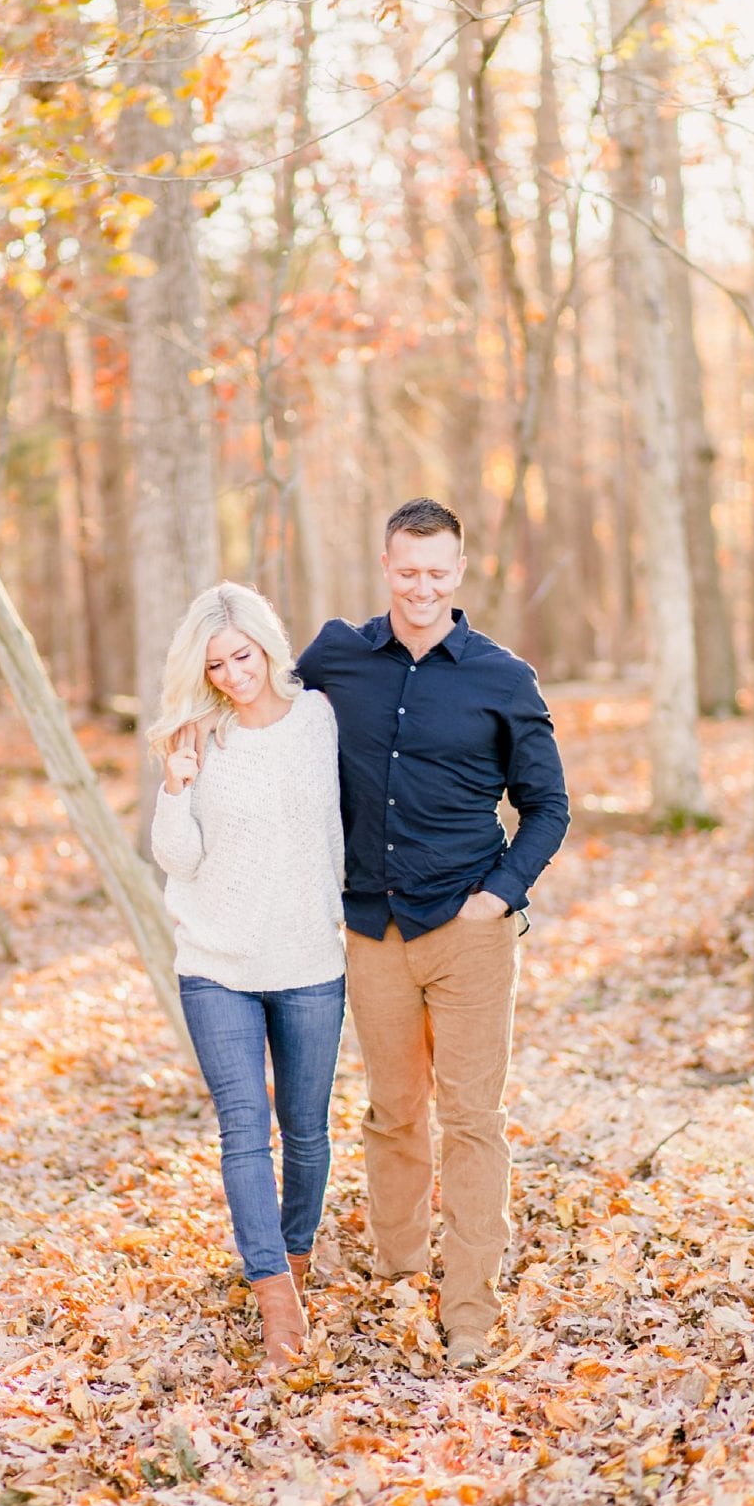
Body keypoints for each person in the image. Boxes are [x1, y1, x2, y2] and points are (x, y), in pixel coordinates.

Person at [295, 497, 569, 1371]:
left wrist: (499, 894)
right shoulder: (336, 657)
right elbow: (267, 726)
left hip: (468, 928)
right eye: (406, 571)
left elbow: (547, 805)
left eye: (436, 572)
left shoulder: (501, 676)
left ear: (459, 572)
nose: (421, 587)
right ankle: (400, 1268)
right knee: (391, 1112)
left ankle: (469, 1313)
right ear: (386, 568)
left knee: (471, 1118)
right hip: (370, 927)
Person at [148, 582, 346, 1371]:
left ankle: (292, 1257)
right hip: (215, 962)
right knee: (244, 1130)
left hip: (306, 958)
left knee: (305, 1131)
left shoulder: (320, 721)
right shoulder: (199, 735)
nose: (233, 675)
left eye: (242, 656)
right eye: (217, 665)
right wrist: (177, 783)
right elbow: (178, 858)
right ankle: (275, 1303)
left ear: (267, 645)